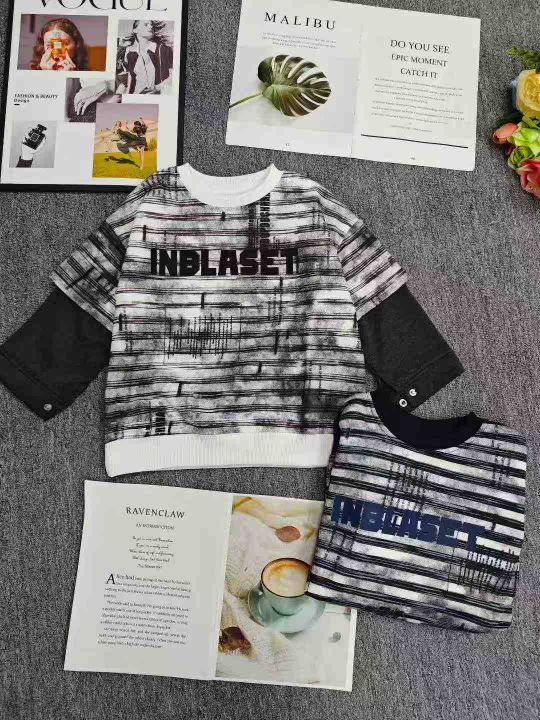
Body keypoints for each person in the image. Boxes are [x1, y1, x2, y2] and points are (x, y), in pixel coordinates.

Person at [116, 20, 173, 94]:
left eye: (151, 25)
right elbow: (126, 80)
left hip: (158, 97)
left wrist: (158, 88)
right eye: (146, 24)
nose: (150, 26)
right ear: (135, 30)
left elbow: (174, 76)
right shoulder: (129, 53)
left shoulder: (164, 50)